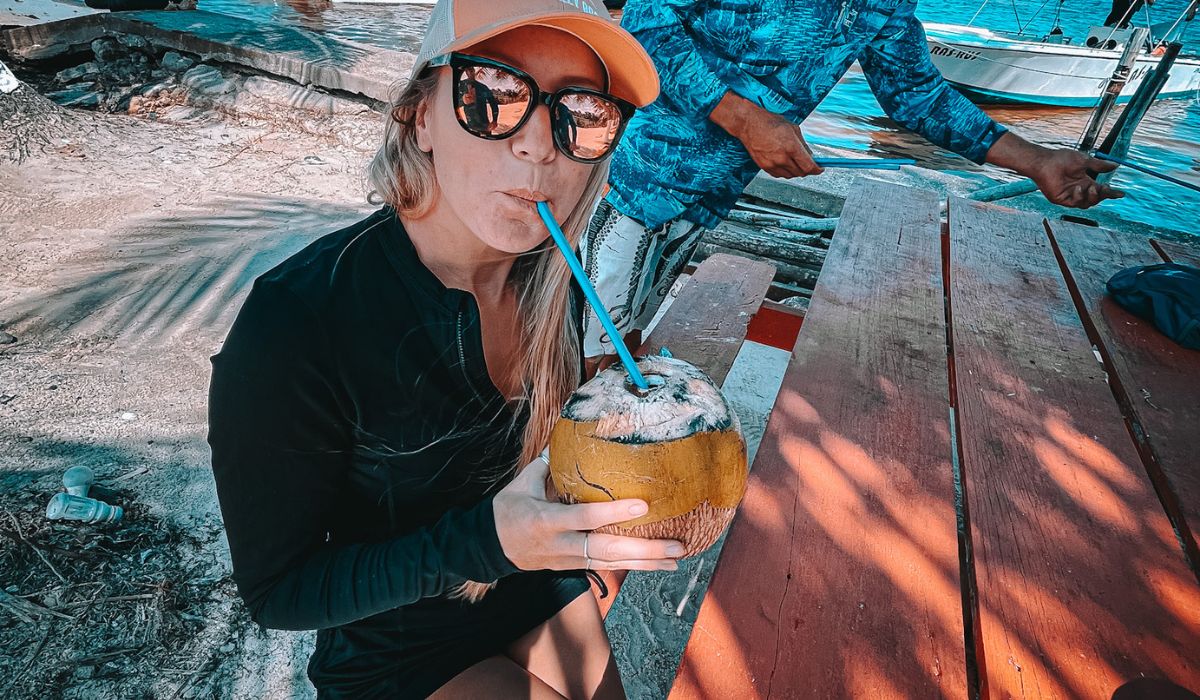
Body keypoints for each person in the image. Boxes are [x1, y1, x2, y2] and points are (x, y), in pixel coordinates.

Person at [207, 0, 672, 696]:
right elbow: (278, 593)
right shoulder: (297, 321)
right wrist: (488, 542)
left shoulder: (554, 284)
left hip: (534, 582)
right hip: (396, 647)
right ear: (421, 116)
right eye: (495, 95)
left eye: (582, 112)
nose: (542, 146)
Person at [579, 0, 1126, 367]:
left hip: (704, 202)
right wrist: (746, 120)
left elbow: (916, 93)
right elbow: (647, 25)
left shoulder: (883, 4)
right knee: (574, 350)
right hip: (619, 179)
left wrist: (1035, 161)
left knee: (618, 344)